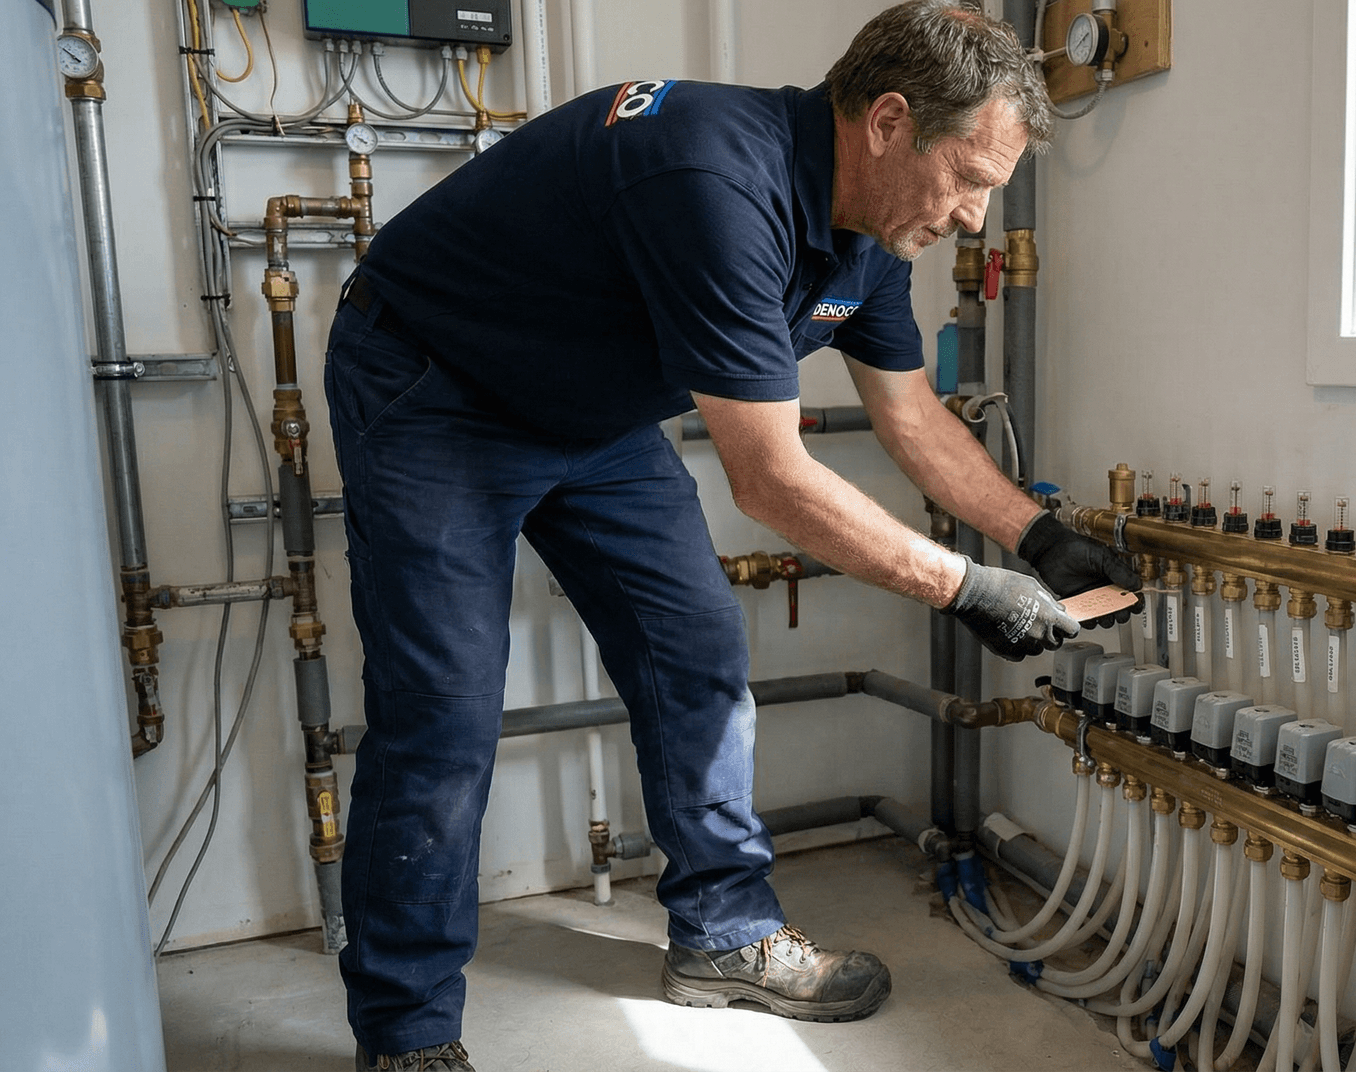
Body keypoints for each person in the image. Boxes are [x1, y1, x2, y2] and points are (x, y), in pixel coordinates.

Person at [325, 2, 1138, 1068]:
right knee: (442, 707)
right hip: (437, 386)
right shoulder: (713, 178)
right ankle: (407, 1030)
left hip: (593, 414)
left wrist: (1034, 537)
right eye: (969, 178)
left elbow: (909, 414)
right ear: (890, 121)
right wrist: (964, 586)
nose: (976, 216)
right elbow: (771, 479)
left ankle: (722, 933)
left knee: (694, 651)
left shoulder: (869, 237)